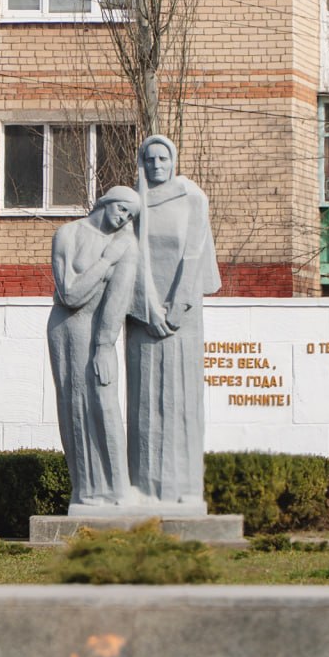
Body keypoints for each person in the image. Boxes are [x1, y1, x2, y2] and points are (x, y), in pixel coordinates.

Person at [126, 134, 221, 509]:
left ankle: (185, 488)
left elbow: (194, 254)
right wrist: (147, 307)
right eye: (149, 159)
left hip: (184, 316)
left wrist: (178, 306)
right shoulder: (135, 204)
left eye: (162, 159)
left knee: (180, 400)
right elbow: (131, 257)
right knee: (145, 403)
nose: (156, 166)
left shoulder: (191, 197)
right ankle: (144, 488)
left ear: (173, 160)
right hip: (143, 318)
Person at [48, 186, 142, 509]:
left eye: (130, 215)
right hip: (65, 329)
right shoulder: (67, 234)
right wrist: (105, 262)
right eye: (122, 209)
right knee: (72, 405)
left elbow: (117, 300)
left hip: (98, 332)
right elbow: (69, 295)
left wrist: (104, 345)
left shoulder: (126, 246)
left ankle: (117, 489)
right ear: (106, 202)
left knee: (103, 403)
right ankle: (85, 490)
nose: (124, 218)